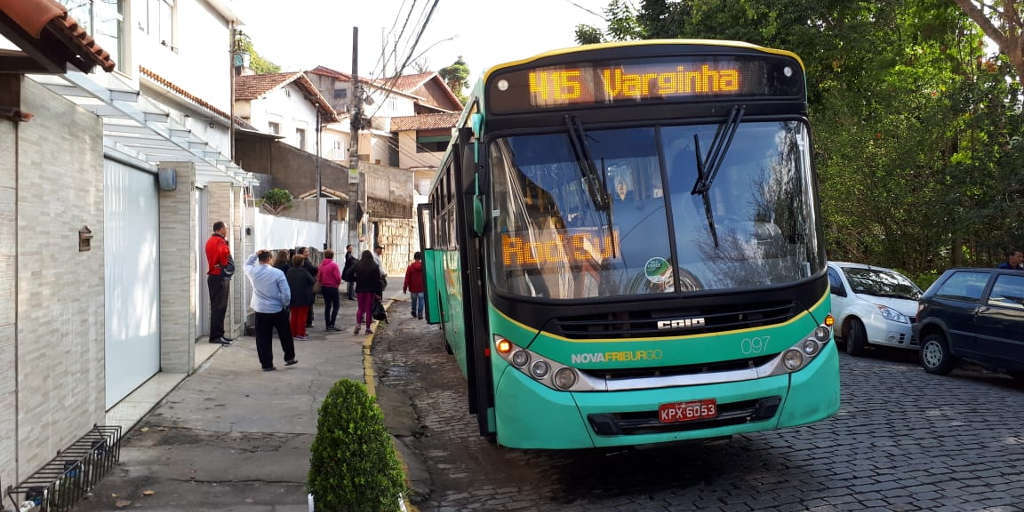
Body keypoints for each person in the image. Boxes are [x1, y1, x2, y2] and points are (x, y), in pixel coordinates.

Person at [244, 250, 297, 371]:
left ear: (260, 259)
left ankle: (267, 364)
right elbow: (286, 293)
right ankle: (289, 357)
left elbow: (246, 264)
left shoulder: (253, 272)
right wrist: (285, 304)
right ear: (269, 259)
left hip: (261, 309)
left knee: (263, 338)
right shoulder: (278, 273)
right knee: (285, 334)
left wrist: (255, 255)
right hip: (277, 308)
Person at [204, 221, 233, 345]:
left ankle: (219, 335)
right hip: (219, 277)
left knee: (217, 308)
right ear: (221, 229)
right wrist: (227, 269)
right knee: (219, 308)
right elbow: (224, 256)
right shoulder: (220, 241)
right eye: (226, 228)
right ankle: (216, 336)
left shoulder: (210, 240)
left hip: (214, 276)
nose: (227, 231)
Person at [353, 250, 383, 335]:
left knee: (360, 308)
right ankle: (367, 328)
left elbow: (349, 273)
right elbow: (378, 281)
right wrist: (378, 293)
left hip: (360, 290)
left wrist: (355, 278)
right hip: (370, 291)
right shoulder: (374, 266)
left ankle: (358, 324)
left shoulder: (358, 265)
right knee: (368, 309)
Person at [286, 254, 316, 341]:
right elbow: (312, 281)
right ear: (301, 262)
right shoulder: (304, 271)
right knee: (302, 316)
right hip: (303, 297)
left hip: (292, 296)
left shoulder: (289, 271)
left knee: (294, 316)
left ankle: (293, 333)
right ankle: (300, 333)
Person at [319, 249, 342, 331]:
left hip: (324, 287)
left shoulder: (321, 265)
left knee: (327, 306)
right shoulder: (333, 265)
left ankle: (327, 325)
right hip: (333, 287)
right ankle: (332, 324)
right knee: (336, 305)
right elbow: (338, 278)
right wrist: (337, 284)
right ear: (332, 256)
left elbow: (319, 277)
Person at [297, 246, 319, 328]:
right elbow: (312, 269)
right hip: (307, 286)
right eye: (306, 252)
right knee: (308, 304)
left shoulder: (305, 261)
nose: (308, 253)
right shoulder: (305, 262)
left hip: (304, 285)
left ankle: (308, 320)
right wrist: (317, 268)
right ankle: (308, 321)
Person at [403, 252, 426, 319]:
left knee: (414, 301)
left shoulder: (410, 267)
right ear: (420, 258)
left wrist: (405, 288)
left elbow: (407, 278)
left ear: (414, 258)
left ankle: (413, 311)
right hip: (421, 288)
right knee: (421, 301)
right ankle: (420, 314)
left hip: (413, 288)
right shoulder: (423, 267)